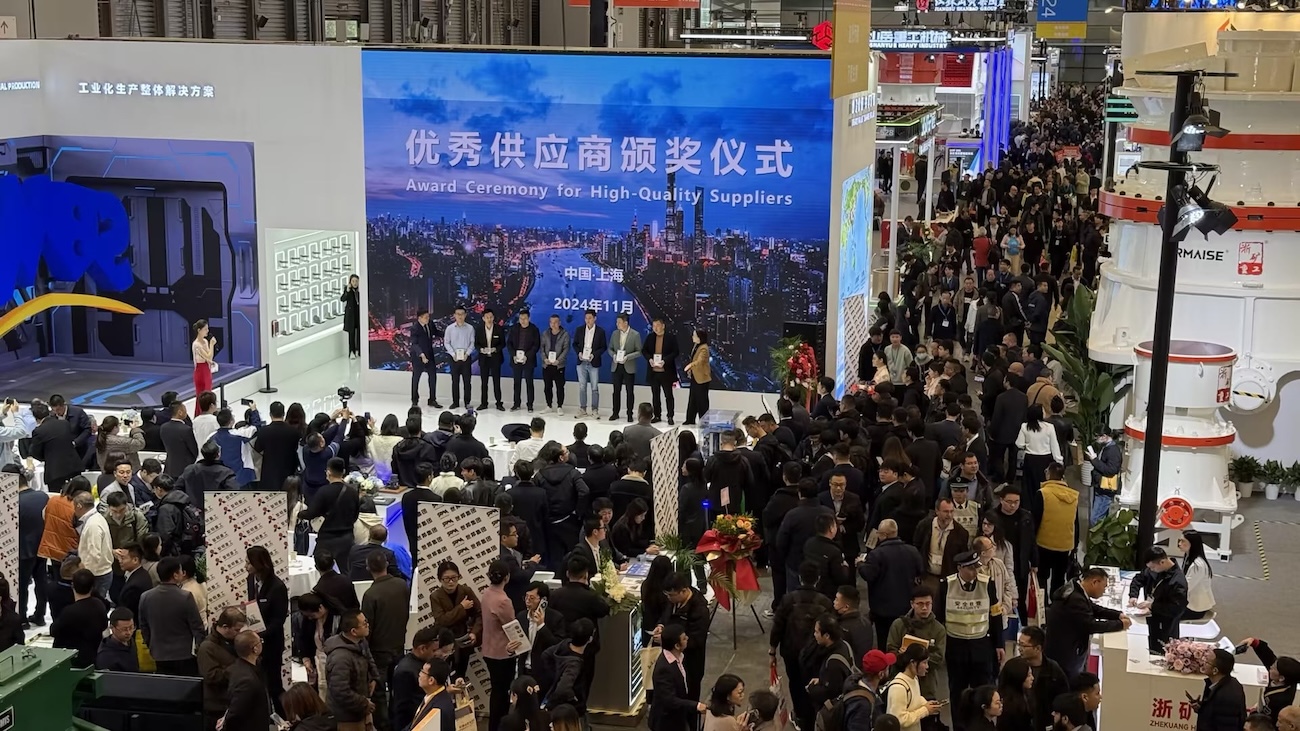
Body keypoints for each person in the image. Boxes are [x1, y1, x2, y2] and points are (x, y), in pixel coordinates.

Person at [769, 561, 834, 729]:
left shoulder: (788, 600)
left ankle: (799, 715)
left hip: (790, 651)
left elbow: (777, 626)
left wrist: (772, 651)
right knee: (813, 683)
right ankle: (812, 716)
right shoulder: (825, 602)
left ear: (799, 577)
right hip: (815, 653)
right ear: (818, 579)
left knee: (795, 682)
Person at [938, 551, 1003, 709]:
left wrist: (999, 644)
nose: (975, 572)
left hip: (981, 646)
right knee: (957, 691)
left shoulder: (987, 583)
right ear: (960, 568)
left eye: (976, 567)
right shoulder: (946, 585)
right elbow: (939, 617)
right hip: (956, 647)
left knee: (983, 692)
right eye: (971, 568)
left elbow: (995, 616)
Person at [1044, 567, 1129, 679]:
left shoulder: (1075, 589)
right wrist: (1120, 625)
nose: (1104, 591)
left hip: (1063, 647)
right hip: (1066, 654)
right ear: (1095, 582)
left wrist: (1117, 615)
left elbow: (1091, 608)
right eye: (1104, 587)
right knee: (1070, 682)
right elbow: (1090, 626)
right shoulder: (1075, 599)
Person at [548, 559, 610, 705]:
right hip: (585, 649)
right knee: (583, 685)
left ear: (567, 574)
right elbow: (604, 610)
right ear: (586, 575)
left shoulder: (556, 595)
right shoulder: (591, 597)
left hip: (561, 647)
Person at [860, 519, 926, 652]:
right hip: (906, 607)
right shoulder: (912, 551)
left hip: (882, 610)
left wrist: (860, 564)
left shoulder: (876, 554)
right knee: (904, 642)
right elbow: (920, 571)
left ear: (884, 535)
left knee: (884, 643)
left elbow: (869, 575)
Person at [140, 556, 206, 676]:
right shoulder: (185, 597)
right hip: (184, 654)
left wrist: (150, 644)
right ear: (175, 575)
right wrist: (199, 647)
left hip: (159, 653)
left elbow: (144, 626)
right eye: (180, 570)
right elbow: (197, 627)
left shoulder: (145, 597)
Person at [476, 560, 521, 731]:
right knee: (501, 694)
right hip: (502, 653)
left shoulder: (487, 593)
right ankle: (499, 726)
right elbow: (512, 627)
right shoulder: (503, 601)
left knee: (497, 691)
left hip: (488, 649)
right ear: (507, 577)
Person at [654, 572, 711, 703]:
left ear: (684, 591)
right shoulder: (673, 601)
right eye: (667, 595)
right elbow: (666, 615)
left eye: (671, 595)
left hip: (690, 663)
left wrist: (666, 640)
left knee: (688, 698)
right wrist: (661, 625)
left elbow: (696, 640)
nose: (669, 598)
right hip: (671, 661)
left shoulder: (699, 610)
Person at [246, 545, 290, 712]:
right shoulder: (250, 579)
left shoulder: (277, 587)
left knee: (274, 685)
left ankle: (283, 717)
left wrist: (260, 635)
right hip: (254, 641)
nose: (246, 567)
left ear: (259, 564)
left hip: (271, 643)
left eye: (249, 563)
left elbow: (278, 620)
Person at [887, 586, 947, 704]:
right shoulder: (899, 625)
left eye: (928, 604)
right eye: (920, 604)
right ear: (912, 604)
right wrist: (901, 655)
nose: (924, 608)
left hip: (927, 686)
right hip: (901, 683)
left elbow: (939, 659)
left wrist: (917, 658)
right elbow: (891, 651)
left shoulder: (938, 629)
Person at [301, 457, 362, 571]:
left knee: (319, 570)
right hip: (346, 538)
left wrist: (298, 513)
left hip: (326, 540)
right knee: (346, 572)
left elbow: (311, 513)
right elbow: (355, 515)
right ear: (343, 472)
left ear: (328, 472)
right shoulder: (353, 492)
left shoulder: (323, 491)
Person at [325, 609, 381, 731]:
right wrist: (364, 703)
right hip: (346, 717)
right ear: (354, 631)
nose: (368, 625)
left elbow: (369, 659)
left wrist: (374, 678)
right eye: (364, 623)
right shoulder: (340, 658)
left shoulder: (361, 641)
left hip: (361, 709)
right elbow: (340, 691)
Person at [1128, 546, 1189, 655]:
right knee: (1148, 645)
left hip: (1166, 624)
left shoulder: (1178, 582)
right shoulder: (1155, 569)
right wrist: (1133, 595)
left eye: (1152, 567)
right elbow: (1139, 579)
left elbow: (1176, 609)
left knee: (1160, 652)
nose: (1151, 570)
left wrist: (1152, 605)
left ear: (1162, 562)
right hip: (1152, 617)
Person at [429, 560, 482, 679]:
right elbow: (441, 620)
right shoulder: (435, 596)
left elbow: (479, 614)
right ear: (440, 579)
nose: (451, 582)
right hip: (445, 642)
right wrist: (461, 607)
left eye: (454, 577)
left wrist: (474, 632)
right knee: (445, 676)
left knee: (461, 675)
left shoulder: (466, 591)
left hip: (464, 639)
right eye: (446, 579)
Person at [649, 624, 707, 731]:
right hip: (666, 723)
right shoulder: (664, 669)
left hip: (678, 717)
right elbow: (669, 700)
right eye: (684, 638)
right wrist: (695, 706)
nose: (687, 638)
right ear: (676, 645)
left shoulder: (680, 657)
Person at [198, 606, 248, 730]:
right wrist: (237, 670)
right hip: (217, 707)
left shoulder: (234, 642)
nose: (239, 633)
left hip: (233, 701)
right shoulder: (207, 648)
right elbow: (211, 676)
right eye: (237, 630)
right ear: (225, 627)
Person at [1035, 462, 1078, 597]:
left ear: (1049, 474)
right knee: (1059, 578)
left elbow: (1036, 519)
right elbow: (1076, 523)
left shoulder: (1043, 493)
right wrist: (1075, 545)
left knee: (1042, 576)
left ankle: (1042, 604)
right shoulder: (1073, 496)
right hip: (1065, 544)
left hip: (1044, 542)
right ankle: (1056, 603)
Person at [52, 569, 108, 667]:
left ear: (72, 585)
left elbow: (54, 631)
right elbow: (104, 625)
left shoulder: (69, 612)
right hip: (93, 656)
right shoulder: (99, 604)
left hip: (72, 660)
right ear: (92, 587)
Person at [1018, 626, 1070, 731]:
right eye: (1019, 644)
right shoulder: (1015, 667)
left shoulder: (1053, 671)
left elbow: (1064, 699)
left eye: (1023, 645)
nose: (1020, 649)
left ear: (1038, 648)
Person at [15, 465, 48, 628]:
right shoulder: (43, 496)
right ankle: (40, 615)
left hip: (23, 549)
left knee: (22, 586)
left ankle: (22, 618)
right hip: (42, 546)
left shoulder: (14, 502)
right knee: (41, 582)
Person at [1238, 637, 1300, 724]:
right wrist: (1253, 642)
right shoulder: (1282, 677)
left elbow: (1266, 718)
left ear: (1281, 678)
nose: (1270, 667)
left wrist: (1253, 713)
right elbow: (1268, 657)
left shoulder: (1280, 699)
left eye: (1274, 668)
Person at [914, 497, 970, 593]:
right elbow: (917, 548)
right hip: (927, 577)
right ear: (937, 511)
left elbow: (961, 558)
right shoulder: (924, 526)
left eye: (951, 511)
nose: (949, 515)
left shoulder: (961, 533)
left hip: (948, 579)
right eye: (946, 512)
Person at [886, 644, 943, 731]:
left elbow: (915, 699)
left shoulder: (914, 679)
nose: (927, 667)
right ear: (913, 663)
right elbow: (900, 719)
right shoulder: (898, 687)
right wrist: (925, 710)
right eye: (924, 663)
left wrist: (926, 704)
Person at [30, 401, 81, 492]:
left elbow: (35, 453)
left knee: (57, 497)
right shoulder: (65, 423)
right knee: (77, 494)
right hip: (73, 466)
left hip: (55, 471)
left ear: (36, 418)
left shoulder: (39, 431)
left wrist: (47, 456)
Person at [71, 492, 114, 600]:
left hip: (97, 575)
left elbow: (94, 554)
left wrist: (85, 578)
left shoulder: (93, 525)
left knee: (92, 606)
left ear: (79, 506)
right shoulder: (96, 518)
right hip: (100, 572)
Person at [1193, 649, 1247, 731]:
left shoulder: (1227, 697)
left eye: (1207, 662)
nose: (1203, 663)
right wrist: (1202, 708)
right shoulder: (1217, 684)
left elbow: (1226, 726)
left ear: (1215, 671)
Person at [804, 512, 852, 600]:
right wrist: (845, 567)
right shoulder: (834, 551)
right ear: (831, 529)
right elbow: (840, 578)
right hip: (828, 594)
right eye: (835, 525)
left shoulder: (809, 543)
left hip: (812, 590)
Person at [640, 318, 679, 424]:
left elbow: (675, 352)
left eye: (657, 325)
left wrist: (665, 360)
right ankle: (657, 415)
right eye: (653, 326)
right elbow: (644, 350)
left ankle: (670, 416)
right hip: (653, 372)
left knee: (668, 395)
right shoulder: (650, 337)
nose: (655, 328)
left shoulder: (670, 337)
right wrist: (649, 359)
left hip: (666, 371)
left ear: (663, 326)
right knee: (655, 395)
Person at [821, 471, 867, 559]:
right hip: (827, 546)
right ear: (830, 484)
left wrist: (844, 528)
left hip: (849, 545)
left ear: (846, 485)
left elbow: (860, 523)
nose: (838, 488)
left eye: (841, 485)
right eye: (835, 484)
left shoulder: (854, 499)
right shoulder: (821, 498)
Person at [608, 313, 642, 422]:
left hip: (628, 366)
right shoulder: (614, 334)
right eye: (617, 322)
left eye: (619, 322)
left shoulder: (635, 334)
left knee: (629, 391)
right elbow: (610, 348)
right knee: (616, 391)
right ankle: (615, 413)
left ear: (625, 323)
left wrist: (627, 357)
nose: (617, 324)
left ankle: (629, 414)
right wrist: (613, 355)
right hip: (616, 366)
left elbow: (639, 351)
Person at [572, 309, 607, 418]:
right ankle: (583, 409)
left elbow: (603, 347)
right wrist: (579, 352)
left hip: (593, 362)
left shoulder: (600, 331)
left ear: (595, 318)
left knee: (594, 387)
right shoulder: (579, 330)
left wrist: (594, 354)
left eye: (590, 318)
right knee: (582, 386)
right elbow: (575, 344)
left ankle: (595, 409)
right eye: (586, 318)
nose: (588, 320)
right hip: (581, 361)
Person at [505, 309, 541, 413]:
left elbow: (536, 345)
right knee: (517, 383)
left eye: (525, 318)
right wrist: (513, 355)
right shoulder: (514, 328)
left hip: (528, 360)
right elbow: (509, 343)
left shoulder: (534, 329)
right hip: (516, 360)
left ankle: (530, 405)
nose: (523, 321)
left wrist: (527, 356)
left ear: (529, 318)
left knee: (529, 383)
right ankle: (516, 404)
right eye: (521, 318)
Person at [408, 657, 457, 731]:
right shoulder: (432, 696)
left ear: (431, 680)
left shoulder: (439, 709)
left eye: (422, 672)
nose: (419, 674)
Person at [1179, 529, 1216, 621]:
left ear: (1192, 544)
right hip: (1189, 602)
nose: (1179, 544)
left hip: (1195, 607)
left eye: (1183, 541)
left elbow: (1186, 587)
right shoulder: (1188, 557)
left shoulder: (1197, 565)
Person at [444, 304, 476, 410]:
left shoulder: (470, 328)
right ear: (454, 315)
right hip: (454, 359)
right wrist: (453, 354)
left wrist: (467, 353)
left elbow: (472, 342)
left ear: (465, 315)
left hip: (466, 358)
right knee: (455, 381)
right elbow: (446, 342)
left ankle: (467, 402)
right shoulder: (449, 328)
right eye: (458, 314)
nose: (460, 316)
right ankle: (455, 402)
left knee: (467, 381)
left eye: (462, 314)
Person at [1086, 430, 1121, 524]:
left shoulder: (1112, 451)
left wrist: (1094, 460)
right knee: (1100, 518)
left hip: (1105, 489)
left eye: (1097, 436)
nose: (1095, 438)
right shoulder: (1106, 447)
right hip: (1101, 487)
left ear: (1104, 436)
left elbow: (1111, 471)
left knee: (1095, 519)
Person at [410, 309, 443, 409]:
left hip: (430, 355)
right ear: (419, 318)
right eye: (426, 317)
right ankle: (414, 400)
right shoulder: (415, 328)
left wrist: (449, 334)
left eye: (428, 317)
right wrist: (421, 354)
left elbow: (436, 332)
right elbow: (414, 344)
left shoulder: (430, 323)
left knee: (433, 377)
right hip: (418, 357)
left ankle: (432, 399)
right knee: (416, 378)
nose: (428, 319)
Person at [477, 308, 507, 411]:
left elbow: (503, 343)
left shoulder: (499, 329)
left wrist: (495, 349)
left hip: (495, 359)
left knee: (496, 382)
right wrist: (481, 350)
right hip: (484, 359)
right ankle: (483, 403)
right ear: (483, 318)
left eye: (490, 317)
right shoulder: (479, 329)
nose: (489, 319)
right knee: (484, 383)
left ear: (493, 318)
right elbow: (476, 344)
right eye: (487, 317)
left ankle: (499, 403)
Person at [161, 401, 201, 479]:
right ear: (180, 412)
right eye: (185, 410)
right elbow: (194, 450)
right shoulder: (186, 429)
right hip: (184, 469)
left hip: (169, 467)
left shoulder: (163, 427)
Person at [539, 314, 570, 415]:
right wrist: (545, 359)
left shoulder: (565, 334)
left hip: (558, 365)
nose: (553, 324)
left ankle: (559, 406)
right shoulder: (545, 334)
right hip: (547, 365)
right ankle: (549, 405)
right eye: (551, 322)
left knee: (560, 387)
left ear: (559, 323)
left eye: (555, 322)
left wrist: (559, 360)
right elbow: (542, 348)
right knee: (547, 387)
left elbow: (566, 349)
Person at [995, 657, 1035, 731]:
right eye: (1028, 675)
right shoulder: (1008, 706)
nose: (1032, 678)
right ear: (1018, 676)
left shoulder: (1026, 694)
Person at [682, 329, 712, 425]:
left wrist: (690, 366)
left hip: (702, 378)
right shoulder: (696, 345)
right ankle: (690, 419)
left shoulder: (704, 348)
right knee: (693, 399)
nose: (692, 337)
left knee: (702, 401)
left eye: (694, 335)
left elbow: (700, 361)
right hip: (695, 377)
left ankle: (704, 422)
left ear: (700, 337)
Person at [115, 543, 153, 618]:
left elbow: (128, 612)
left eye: (123, 558)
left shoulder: (135, 586)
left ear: (135, 560)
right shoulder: (142, 573)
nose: (120, 561)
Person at [96, 607, 139, 672]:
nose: (129, 632)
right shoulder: (105, 657)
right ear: (112, 627)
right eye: (124, 629)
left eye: (131, 628)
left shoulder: (130, 641)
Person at [191, 319, 217, 412]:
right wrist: (212, 344)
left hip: (206, 369)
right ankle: (200, 413)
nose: (207, 331)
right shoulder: (196, 344)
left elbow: (210, 357)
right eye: (205, 329)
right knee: (201, 395)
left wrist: (210, 345)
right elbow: (208, 356)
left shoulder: (205, 341)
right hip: (200, 371)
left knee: (208, 392)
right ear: (199, 330)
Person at [341, 273, 362, 357]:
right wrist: (347, 291)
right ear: (350, 282)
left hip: (359, 314)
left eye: (356, 281)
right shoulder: (348, 290)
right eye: (353, 281)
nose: (355, 283)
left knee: (360, 333)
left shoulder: (361, 290)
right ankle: (352, 352)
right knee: (351, 334)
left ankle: (360, 351)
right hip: (351, 315)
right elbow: (342, 299)